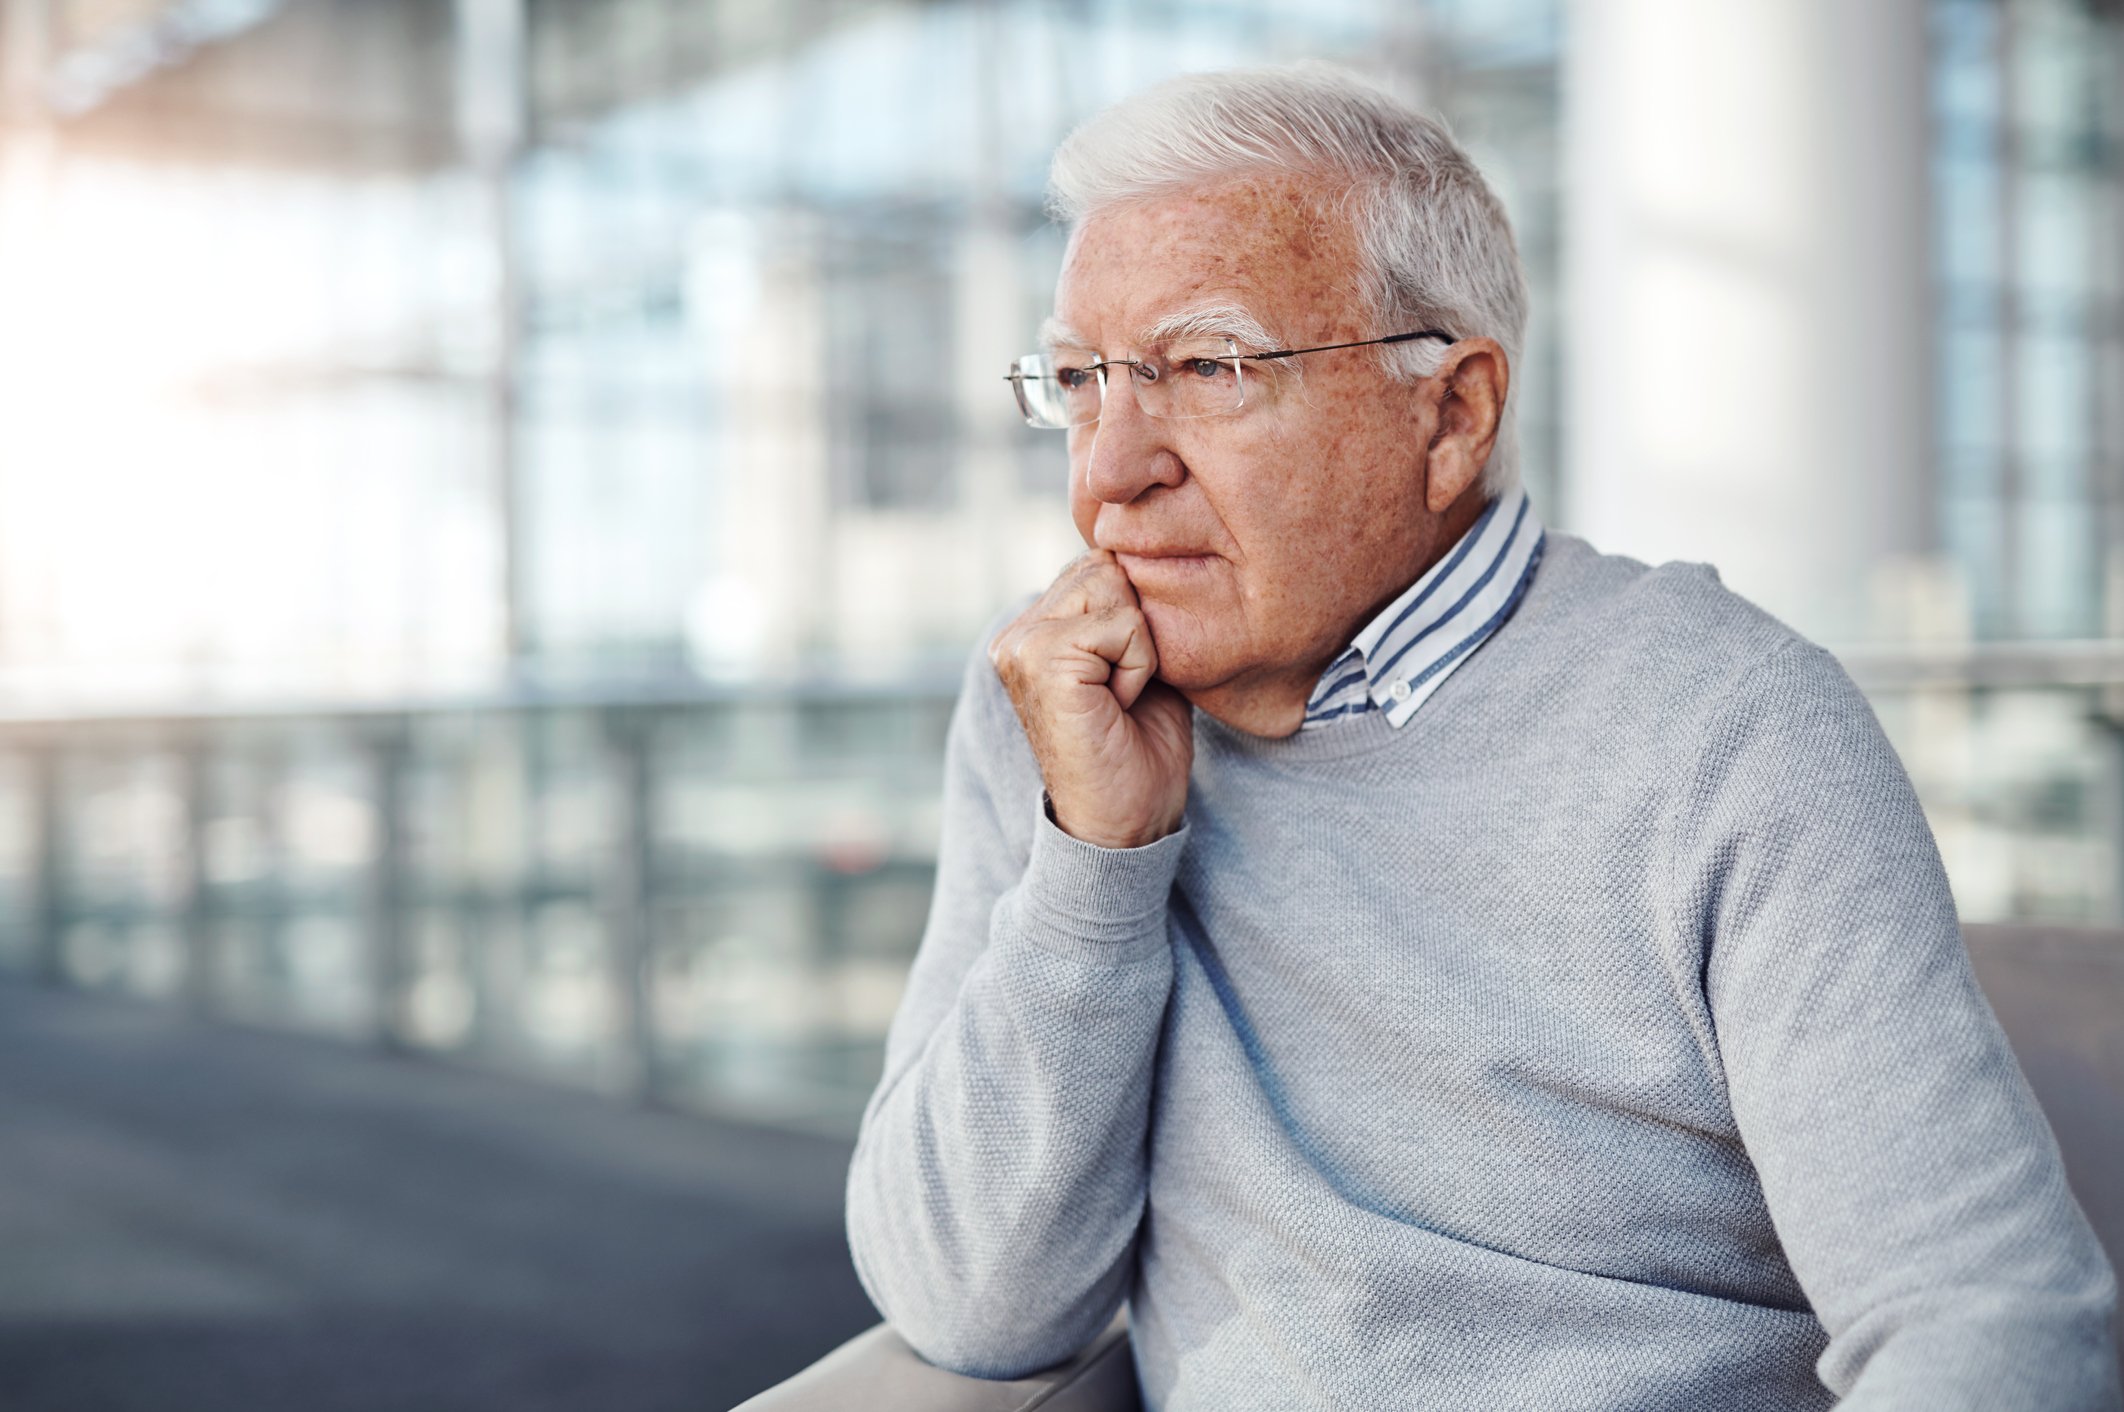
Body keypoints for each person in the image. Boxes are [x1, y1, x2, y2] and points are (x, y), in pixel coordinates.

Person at [843, 62, 2121, 1410]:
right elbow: (965, 1302)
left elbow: (1986, 1328)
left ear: (1449, 415)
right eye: (1080, 381)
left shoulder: (1729, 733)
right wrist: (1096, 863)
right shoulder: (1057, 713)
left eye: (1208, 368)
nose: (1107, 471)